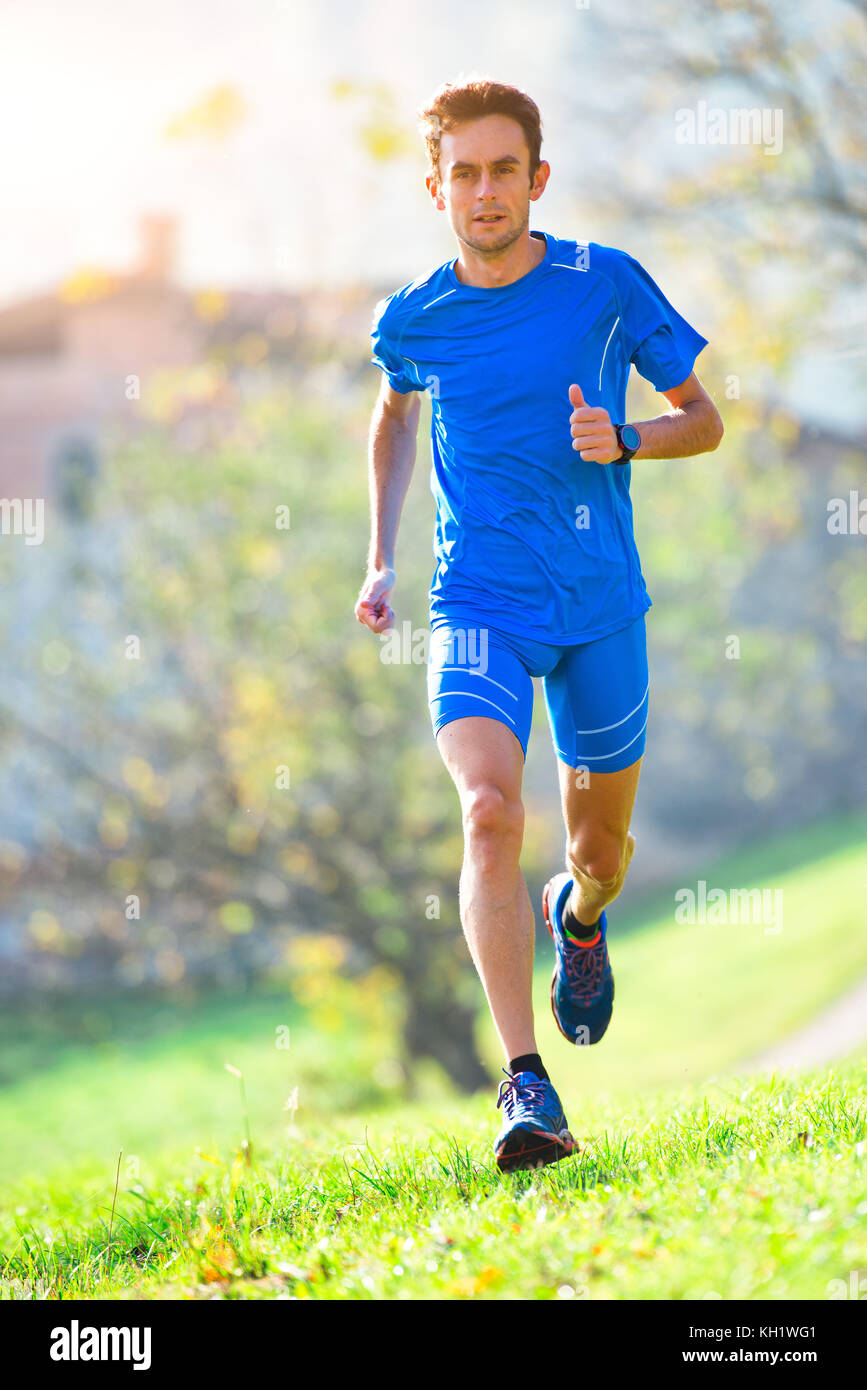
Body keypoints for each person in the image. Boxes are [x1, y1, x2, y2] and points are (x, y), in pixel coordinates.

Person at [355, 77, 723, 1172]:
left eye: (502, 169)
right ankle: (525, 1084)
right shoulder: (414, 316)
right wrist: (380, 552)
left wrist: (627, 441)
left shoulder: (601, 285)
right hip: (476, 603)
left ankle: (581, 914)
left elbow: (704, 420)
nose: (483, 192)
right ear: (436, 188)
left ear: (537, 179)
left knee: (599, 851)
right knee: (486, 812)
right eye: (461, 173)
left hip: (601, 603)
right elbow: (393, 412)